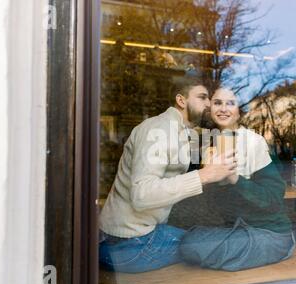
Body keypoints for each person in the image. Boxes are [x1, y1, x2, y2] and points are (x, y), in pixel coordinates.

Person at [99, 80, 238, 274]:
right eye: (202, 97)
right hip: (130, 244)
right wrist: (203, 175)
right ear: (181, 100)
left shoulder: (183, 132)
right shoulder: (158, 130)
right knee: (214, 244)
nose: (209, 104)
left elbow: (210, 168)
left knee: (205, 236)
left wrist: (216, 166)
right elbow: (142, 194)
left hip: (138, 235)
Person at [179, 88, 296, 272]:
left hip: (269, 234)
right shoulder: (207, 144)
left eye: (230, 103)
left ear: (238, 111)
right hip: (236, 228)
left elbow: (273, 199)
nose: (223, 108)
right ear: (210, 109)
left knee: (191, 244)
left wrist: (234, 178)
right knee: (185, 237)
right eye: (217, 103)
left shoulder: (254, 142)